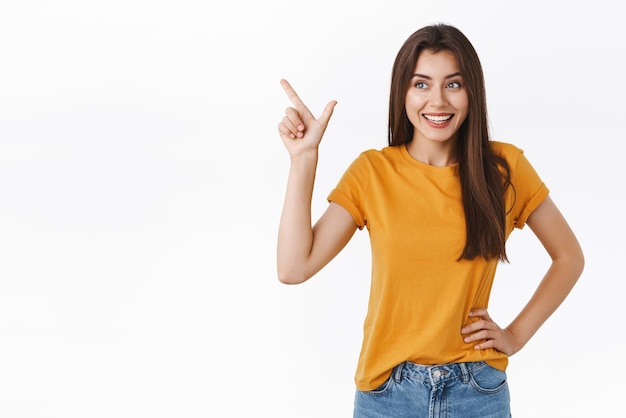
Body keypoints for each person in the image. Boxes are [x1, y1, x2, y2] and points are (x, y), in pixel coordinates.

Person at [276, 23, 584, 418]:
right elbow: (293, 267)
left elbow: (569, 257)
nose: (437, 101)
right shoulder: (373, 172)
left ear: (472, 91)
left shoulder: (505, 169)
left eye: (453, 84)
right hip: (386, 395)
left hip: (477, 392)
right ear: (402, 92)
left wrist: (515, 336)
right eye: (421, 84)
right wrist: (304, 159)